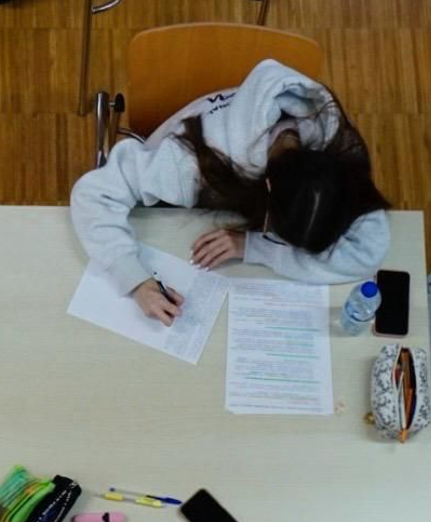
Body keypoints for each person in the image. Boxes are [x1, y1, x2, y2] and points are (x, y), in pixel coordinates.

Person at [70, 58, 392, 326]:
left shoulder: (338, 160)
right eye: (270, 232)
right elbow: (93, 194)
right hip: (180, 192)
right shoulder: (186, 166)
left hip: (226, 197)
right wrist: (137, 280)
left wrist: (256, 247)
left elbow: (368, 251)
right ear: (266, 191)